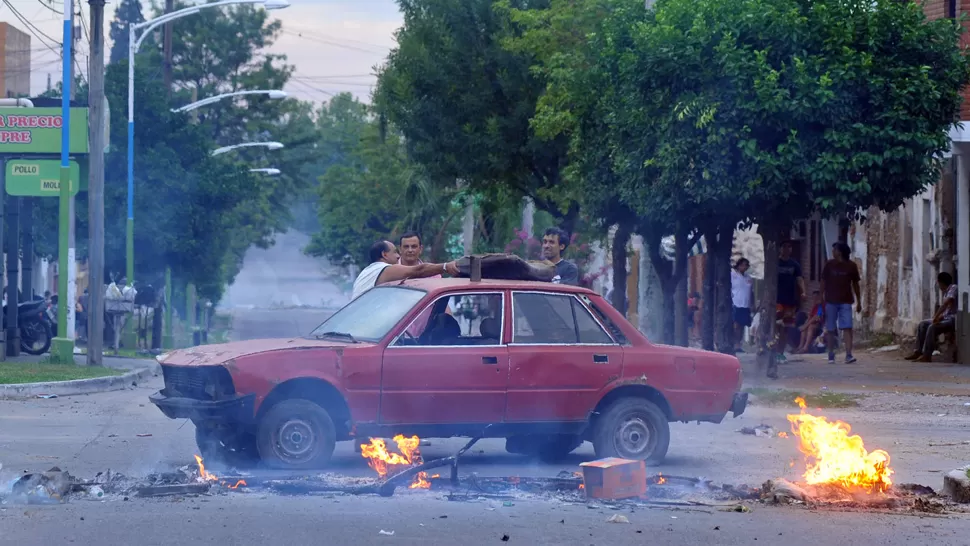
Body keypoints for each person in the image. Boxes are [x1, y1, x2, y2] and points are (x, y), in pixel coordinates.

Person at [352, 240, 459, 300]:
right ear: (384, 255)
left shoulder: (367, 272)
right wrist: (445, 266)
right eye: (395, 252)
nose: (398, 256)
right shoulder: (383, 269)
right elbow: (418, 270)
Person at [820, 242, 862, 364]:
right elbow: (823, 280)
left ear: (839, 252)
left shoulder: (851, 266)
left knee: (847, 327)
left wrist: (859, 301)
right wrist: (821, 297)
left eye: (834, 250)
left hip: (845, 301)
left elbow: (855, 284)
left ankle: (848, 354)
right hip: (831, 301)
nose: (832, 251)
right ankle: (831, 353)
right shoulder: (829, 265)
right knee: (831, 328)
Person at [905, 272, 957, 363]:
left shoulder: (953, 288)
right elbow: (947, 310)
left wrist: (936, 317)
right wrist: (939, 317)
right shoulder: (946, 292)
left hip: (952, 319)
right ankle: (918, 351)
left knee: (932, 327)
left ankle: (927, 355)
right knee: (923, 324)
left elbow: (946, 303)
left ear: (941, 283)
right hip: (945, 318)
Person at [776, 240, 805, 337]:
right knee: (777, 322)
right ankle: (773, 346)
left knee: (787, 325)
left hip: (790, 299)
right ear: (780, 249)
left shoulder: (794, 264)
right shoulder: (775, 263)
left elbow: (800, 279)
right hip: (777, 299)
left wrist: (803, 292)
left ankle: (781, 350)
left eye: (789, 247)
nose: (787, 249)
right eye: (784, 246)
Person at [731, 258, 754, 351]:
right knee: (735, 325)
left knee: (742, 325)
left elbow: (751, 292)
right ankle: (732, 343)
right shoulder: (732, 275)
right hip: (735, 303)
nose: (745, 267)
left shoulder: (748, 278)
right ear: (739, 265)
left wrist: (752, 303)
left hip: (745, 305)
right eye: (743, 265)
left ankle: (738, 345)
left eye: (746, 265)